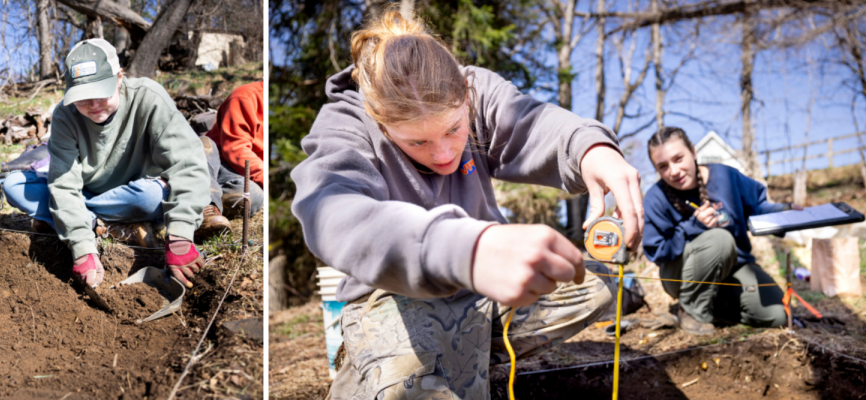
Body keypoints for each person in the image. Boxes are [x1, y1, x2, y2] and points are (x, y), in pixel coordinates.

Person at [290, 11, 644, 398]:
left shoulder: (474, 88)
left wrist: (590, 148)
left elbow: (532, 124)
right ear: (379, 121)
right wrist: (462, 248)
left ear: (465, 97)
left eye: (454, 129)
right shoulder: (345, 124)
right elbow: (334, 212)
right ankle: (378, 371)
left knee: (594, 280)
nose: (444, 155)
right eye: (417, 142)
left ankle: (460, 354)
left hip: (481, 292)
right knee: (413, 390)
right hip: (394, 294)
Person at [1, 39, 225, 289]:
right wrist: (83, 248)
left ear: (119, 78)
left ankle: (81, 219)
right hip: (86, 190)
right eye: (83, 97)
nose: (93, 105)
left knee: (151, 197)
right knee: (14, 185)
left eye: (101, 93)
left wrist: (181, 236)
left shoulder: (148, 98)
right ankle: (97, 225)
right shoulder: (65, 115)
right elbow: (64, 186)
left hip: (135, 194)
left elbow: (186, 165)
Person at [642, 127, 793, 335]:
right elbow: (658, 252)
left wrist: (785, 212)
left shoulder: (725, 176)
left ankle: (715, 303)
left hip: (736, 268)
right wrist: (693, 227)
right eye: (663, 166)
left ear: (693, 152)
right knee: (720, 239)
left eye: (678, 159)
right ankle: (692, 311)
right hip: (680, 274)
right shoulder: (655, 198)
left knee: (777, 315)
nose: (674, 171)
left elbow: (757, 208)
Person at [202, 81, 264, 217]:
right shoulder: (245, 96)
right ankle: (206, 205)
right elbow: (236, 149)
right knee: (250, 195)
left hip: (249, 173)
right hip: (219, 163)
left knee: (251, 196)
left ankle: (208, 199)